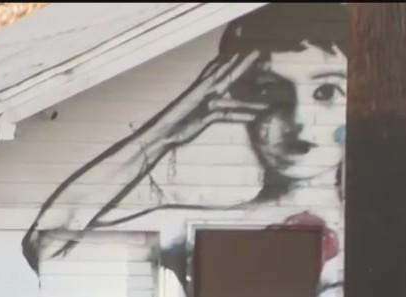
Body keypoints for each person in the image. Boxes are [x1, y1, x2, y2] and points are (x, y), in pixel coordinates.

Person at [21, 3, 349, 278]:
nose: (299, 119)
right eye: (269, 91)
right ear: (230, 100)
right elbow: (50, 246)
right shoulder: (195, 229)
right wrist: (170, 128)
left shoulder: (376, 230)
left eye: (326, 92)